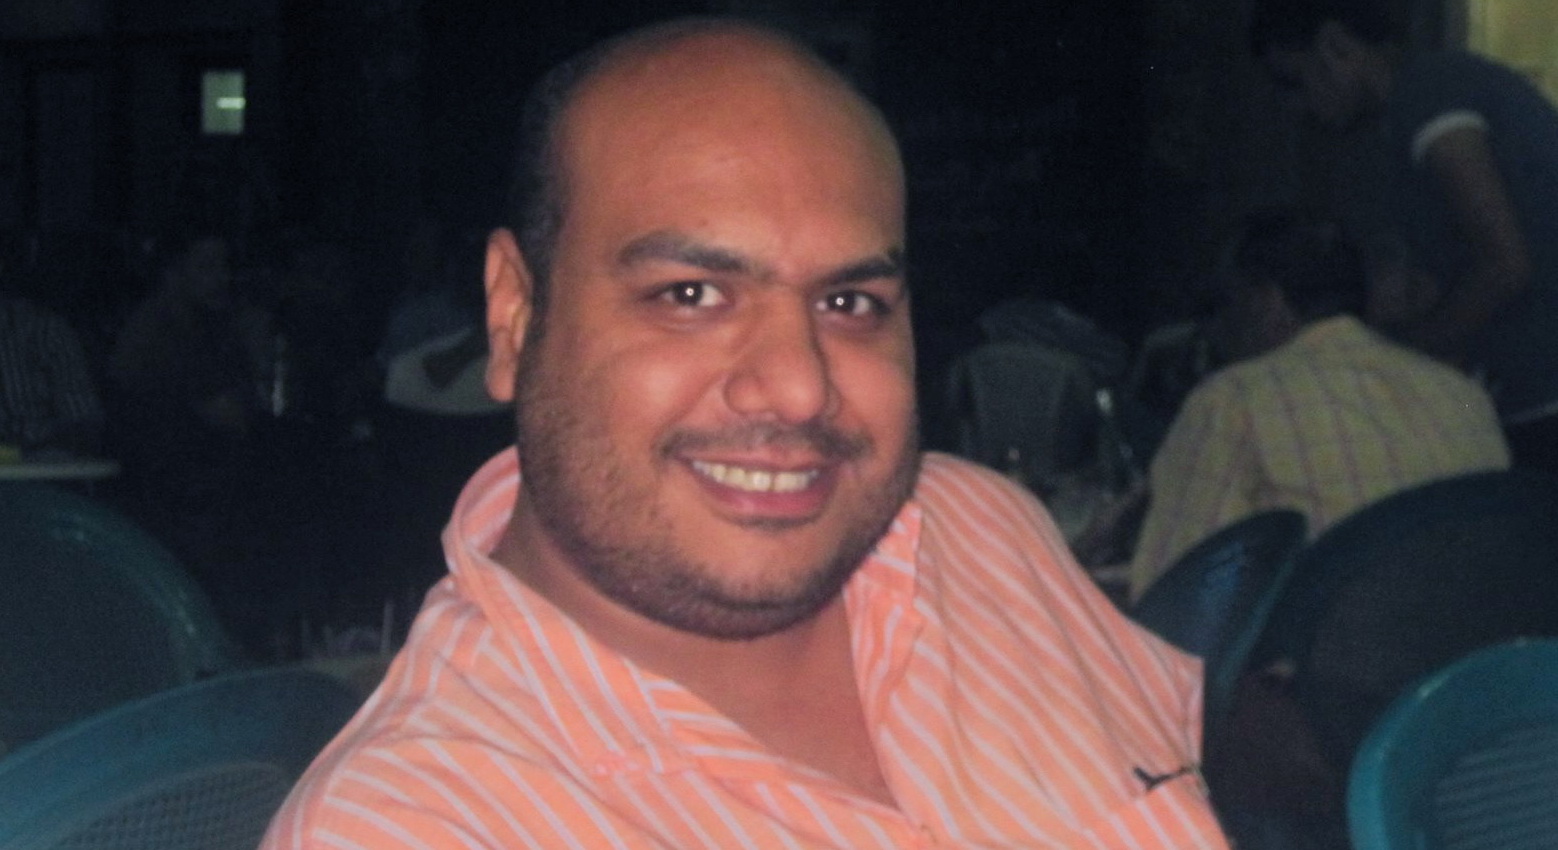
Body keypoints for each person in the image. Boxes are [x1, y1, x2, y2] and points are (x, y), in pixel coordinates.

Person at [262, 18, 1228, 849]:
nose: (800, 389)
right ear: (514, 316)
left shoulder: (978, 532)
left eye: (850, 301)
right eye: (690, 295)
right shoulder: (415, 826)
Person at [1128, 209, 1509, 598]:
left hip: (1339, 635)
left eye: (1220, 305)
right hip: (1481, 632)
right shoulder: (1463, 395)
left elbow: (1172, 596)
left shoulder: (1232, 400)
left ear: (1266, 301)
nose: (1212, 331)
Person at [1249, 0, 1558, 472]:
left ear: (1334, 45)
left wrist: (1396, 357)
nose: (1295, 106)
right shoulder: (1410, 119)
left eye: (1293, 81)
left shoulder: (1429, 94)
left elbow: (1505, 264)